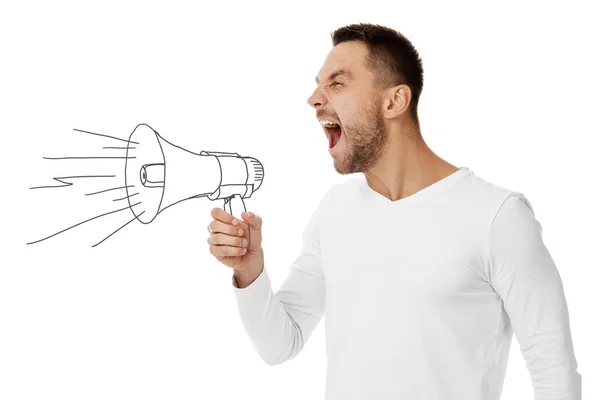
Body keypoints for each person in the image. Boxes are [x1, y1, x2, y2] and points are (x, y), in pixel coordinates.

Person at [206, 23, 582, 400]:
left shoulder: (498, 216)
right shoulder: (335, 211)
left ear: (394, 101)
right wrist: (249, 270)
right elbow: (279, 344)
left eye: (337, 84)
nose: (314, 99)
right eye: (320, 84)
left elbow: (554, 373)